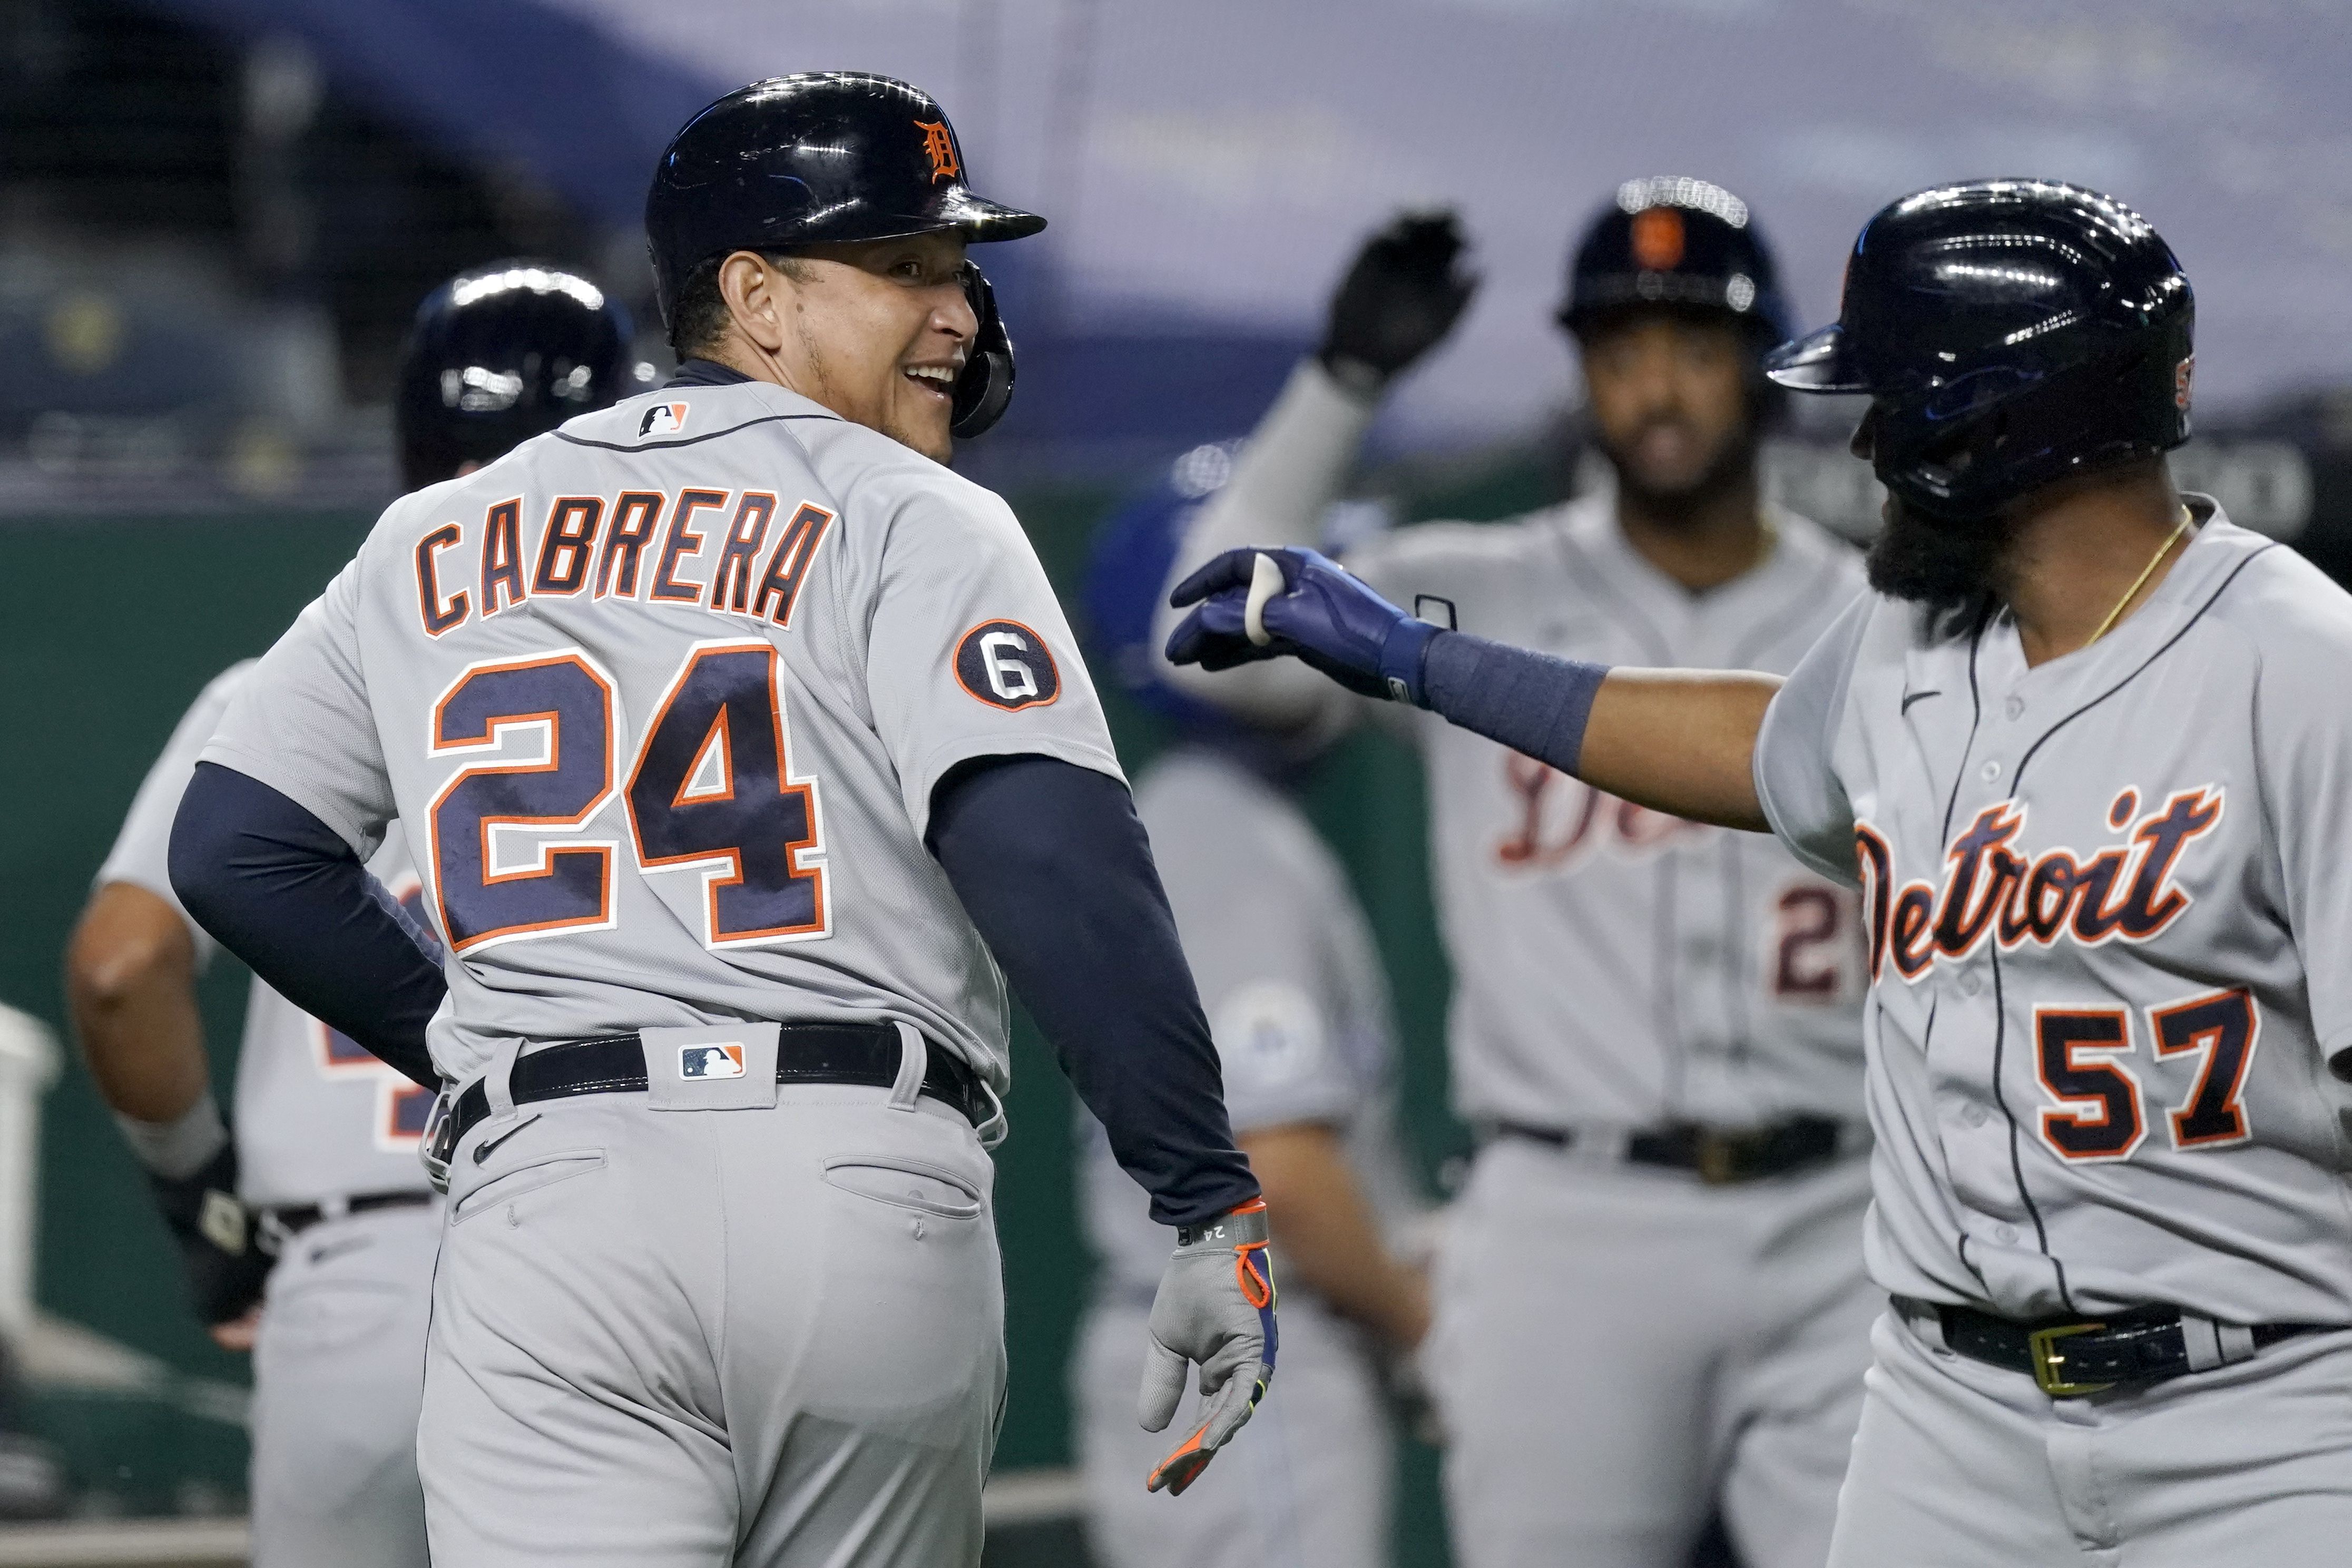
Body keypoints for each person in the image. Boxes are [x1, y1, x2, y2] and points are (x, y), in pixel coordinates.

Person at [161, 72, 1277, 1567]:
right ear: (752, 296)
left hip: (554, 1199)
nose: (958, 312)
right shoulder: (913, 514)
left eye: (957, 267)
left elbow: (234, 847)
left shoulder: (433, 534)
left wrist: (464, 1035)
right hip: (856, 1182)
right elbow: (1052, 862)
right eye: (903, 267)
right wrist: (1202, 1197)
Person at [1170, 178, 2352, 1567]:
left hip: (2258, 1398)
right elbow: (1756, 745)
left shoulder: (2302, 669)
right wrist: (1427, 659)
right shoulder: (1912, 646)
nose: (1857, 437)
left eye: (1891, 401)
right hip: (1942, 1394)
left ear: (2001, 420)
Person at [1156, 187, 1875, 1568]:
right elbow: (1202, 629)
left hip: (1842, 1209)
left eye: (1693, 346)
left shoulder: (1869, 614)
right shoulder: (1462, 587)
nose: (1654, 384)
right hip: (1571, 1220)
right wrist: (1343, 382)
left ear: (1767, 365)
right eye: (1618, 350)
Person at [64, 258, 635, 1568]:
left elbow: (119, 967)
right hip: (605, 1236)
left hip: (355, 1283)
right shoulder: (702, 682)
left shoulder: (294, 685)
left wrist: (206, 1208)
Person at [1073, 457, 1433, 1568]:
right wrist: (1429, 1335)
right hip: (1255, 1354)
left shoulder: (1192, 818)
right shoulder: (1220, 835)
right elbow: (1277, 1157)